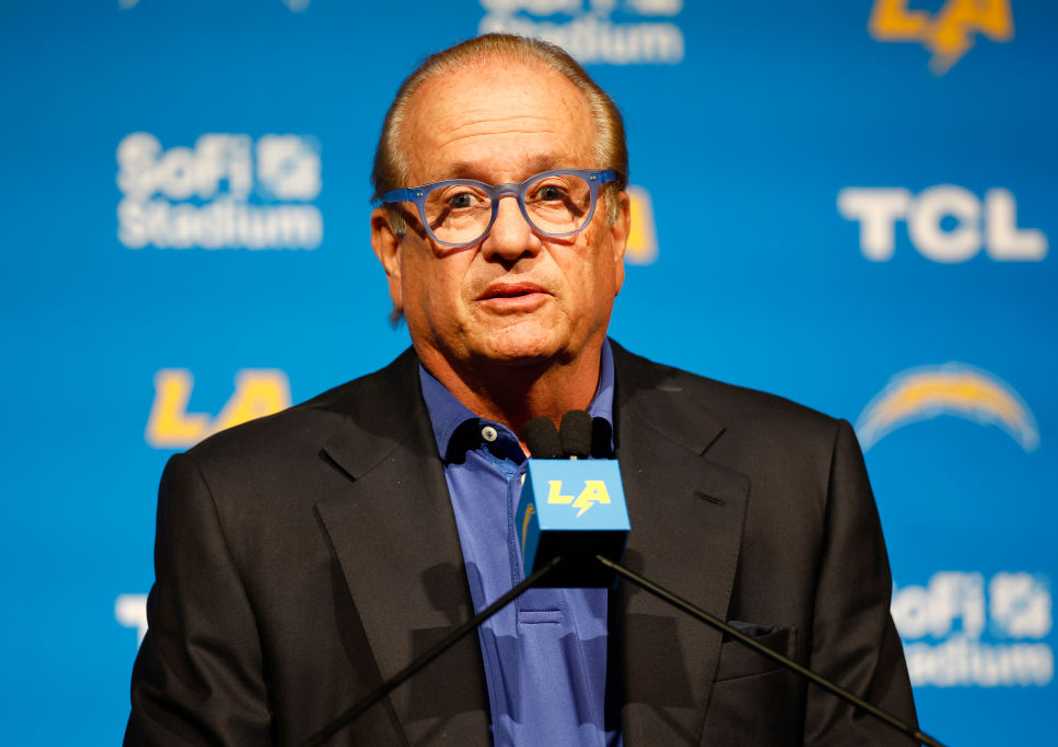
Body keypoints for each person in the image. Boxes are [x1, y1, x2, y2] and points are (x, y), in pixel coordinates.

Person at [126, 34, 916, 746]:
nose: (510, 240)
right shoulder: (243, 507)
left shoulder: (799, 476)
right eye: (460, 203)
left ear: (616, 230)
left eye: (552, 194)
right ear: (394, 250)